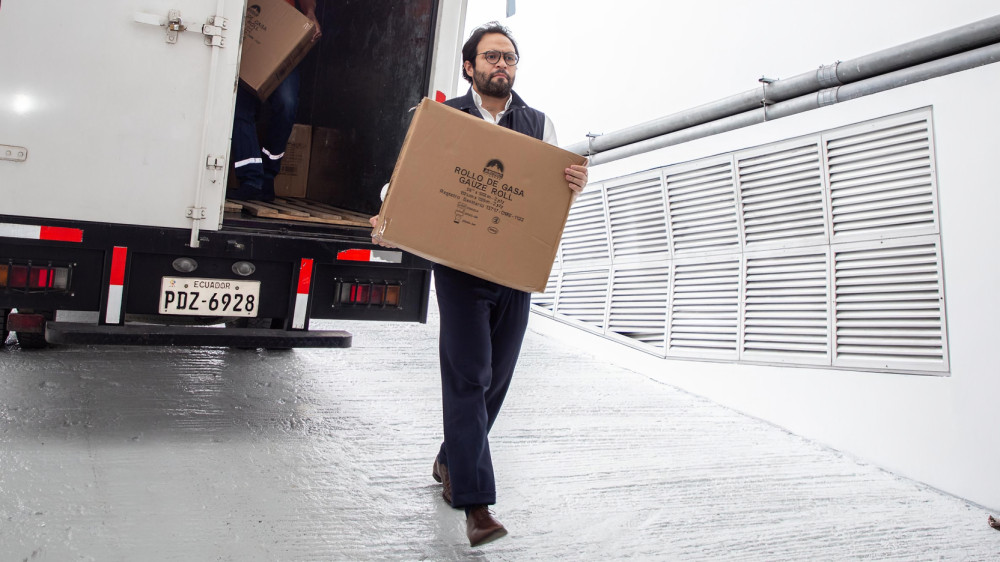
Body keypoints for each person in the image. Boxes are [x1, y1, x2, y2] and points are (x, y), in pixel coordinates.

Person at [371, 22, 588, 547]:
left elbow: (545, 198)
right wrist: (387, 210)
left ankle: (451, 459)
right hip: (461, 271)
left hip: (513, 272)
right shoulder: (446, 122)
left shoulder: (540, 124)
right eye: (491, 57)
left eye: (510, 58)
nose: (502, 65)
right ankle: (475, 505)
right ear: (469, 66)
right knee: (470, 376)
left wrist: (574, 187)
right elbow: (407, 181)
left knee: (495, 382)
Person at [229, 0, 321, 202]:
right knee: (239, 107)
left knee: (287, 105)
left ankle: (268, 175)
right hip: (246, 34)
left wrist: (310, 14)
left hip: (281, 40)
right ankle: (251, 180)